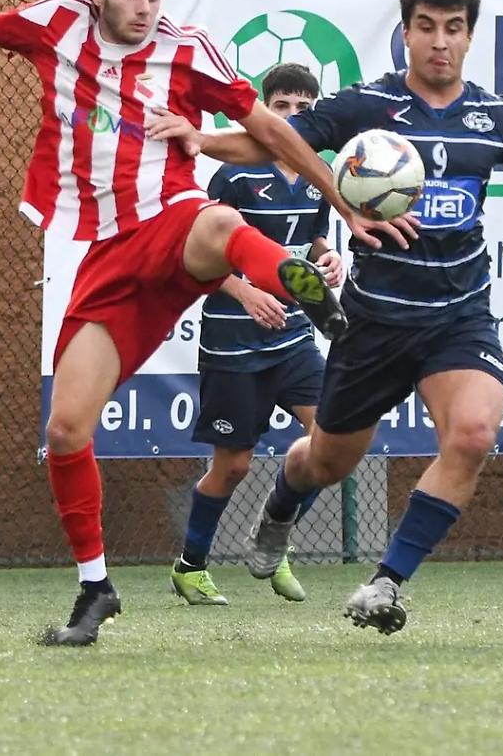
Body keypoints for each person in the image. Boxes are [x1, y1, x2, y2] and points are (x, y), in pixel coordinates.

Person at [0, 0, 398, 646]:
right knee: (67, 428)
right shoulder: (59, 21)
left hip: (170, 221)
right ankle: (95, 585)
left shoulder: (188, 48)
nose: (144, 7)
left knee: (216, 219)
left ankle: (301, 291)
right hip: (103, 257)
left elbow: (275, 134)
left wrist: (343, 202)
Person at [151, 0, 503, 635]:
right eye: (427, 27)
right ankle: (283, 505)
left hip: (457, 317)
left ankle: (386, 582)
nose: (440, 41)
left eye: (454, 28)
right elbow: (274, 140)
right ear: (406, 32)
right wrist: (200, 139)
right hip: (374, 319)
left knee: (473, 432)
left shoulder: (497, 118)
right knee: (327, 459)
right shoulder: (369, 105)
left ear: (469, 36)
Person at [170, 63, 342, 606]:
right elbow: (199, 258)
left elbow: (313, 239)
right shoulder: (237, 177)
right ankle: (190, 565)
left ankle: (276, 534)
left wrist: (329, 257)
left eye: (304, 108)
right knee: (235, 465)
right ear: (265, 113)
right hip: (234, 340)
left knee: (332, 443)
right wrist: (247, 292)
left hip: (293, 336)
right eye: (283, 107)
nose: (294, 117)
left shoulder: (320, 173)